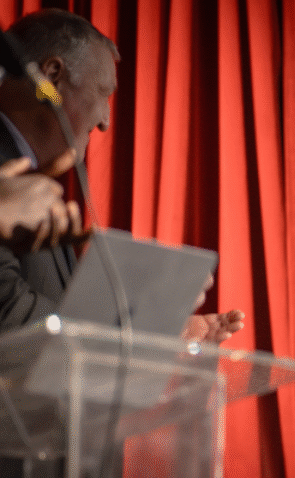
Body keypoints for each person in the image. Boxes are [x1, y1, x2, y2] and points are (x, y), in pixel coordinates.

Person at [0, 8, 244, 339]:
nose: (105, 120)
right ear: (52, 75)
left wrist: (154, 333)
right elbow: (10, 313)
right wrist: (134, 340)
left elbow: (51, 318)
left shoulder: (33, 181)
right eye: (104, 93)